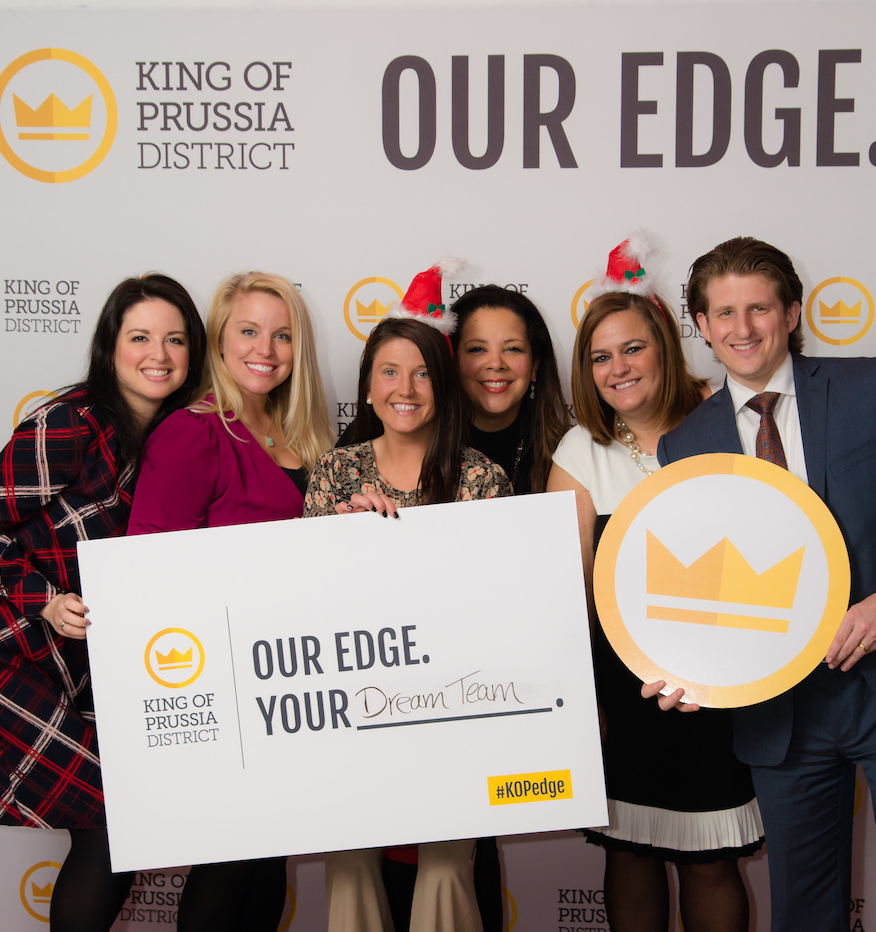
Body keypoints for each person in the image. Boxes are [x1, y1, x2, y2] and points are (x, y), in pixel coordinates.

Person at [652, 236, 876, 932]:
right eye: (723, 313)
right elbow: (697, 584)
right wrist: (688, 668)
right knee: (804, 912)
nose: (741, 329)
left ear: (792, 312)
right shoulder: (684, 446)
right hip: (781, 714)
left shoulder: (871, 385)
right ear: (703, 326)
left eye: (758, 308)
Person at [0, 274, 206, 932]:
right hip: (0, 650)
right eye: (140, 337)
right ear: (110, 347)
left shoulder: (175, 437)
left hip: (70, 665)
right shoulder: (71, 421)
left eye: (175, 339)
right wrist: (47, 600)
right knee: (114, 818)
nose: (159, 354)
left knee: (111, 829)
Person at [547, 237, 763, 932]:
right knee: (630, 854)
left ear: (665, 346)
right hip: (624, 691)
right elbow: (568, 591)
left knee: (710, 859)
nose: (618, 368)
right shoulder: (580, 452)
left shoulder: (726, 420)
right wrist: (582, 702)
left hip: (721, 684)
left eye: (632, 349)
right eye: (600, 357)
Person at [305, 262, 512, 932]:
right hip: (352, 709)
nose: (406, 387)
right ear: (367, 387)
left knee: (448, 872)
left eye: (422, 372)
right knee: (350, 870)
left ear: (444, 387)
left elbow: (497, 607)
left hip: (453, 707)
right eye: (390, 371)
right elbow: (304, 601)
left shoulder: (481, 478)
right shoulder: (334, 473)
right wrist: (342, 543)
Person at [126, 271, 333, 931]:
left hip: (289, 681)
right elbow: (148, 571)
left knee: (265, 866)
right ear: (218, 337)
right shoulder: (193, 433)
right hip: (223, 687)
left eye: (282, 335)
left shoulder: (304, 437)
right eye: (248, 330)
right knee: (229, 864)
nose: (265, 349)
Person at [450, 285, 570, 494]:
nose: (496, 363)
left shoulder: (569, 454)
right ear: (453, 362)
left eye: (512, 349)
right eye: (477, 349)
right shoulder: (422, 449)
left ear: (534, 366)